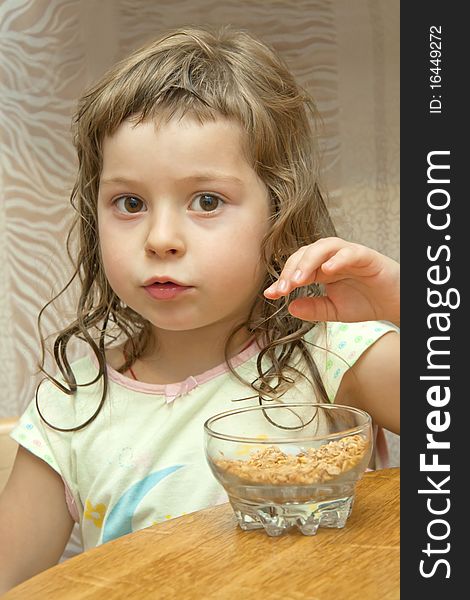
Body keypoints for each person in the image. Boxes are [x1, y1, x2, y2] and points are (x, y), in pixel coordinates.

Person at [0, 25, 399, 591]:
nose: (161, 238)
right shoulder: (74, 400)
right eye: (129, 203)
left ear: (280, 213)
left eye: (206, 201)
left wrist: (410, 304)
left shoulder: (334, 356)